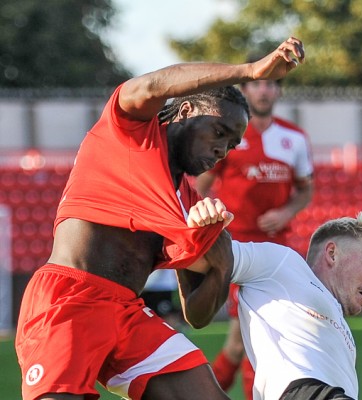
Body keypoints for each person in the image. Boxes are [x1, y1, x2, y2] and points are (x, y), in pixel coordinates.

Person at [14, 37, 306, 400]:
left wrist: (218, 247)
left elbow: (196, 314)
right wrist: (250, 71)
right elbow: (154, 84)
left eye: (231, 145)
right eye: (219, 133)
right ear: (184, 113)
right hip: (70, 299)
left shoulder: (191, 204)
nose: (222, 150)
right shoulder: (128, 130)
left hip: (129, 314)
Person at [196, 53, 314, 398]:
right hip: (235, 249)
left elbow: (306, 190)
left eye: (270, 84)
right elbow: (198, 186)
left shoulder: (294, 138)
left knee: (250, 339)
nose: (263, 91)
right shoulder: (228, 135)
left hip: (278, 250)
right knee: (246, 336)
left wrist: (286, 212)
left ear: (278, 91)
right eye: (257, 83)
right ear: (245, 90)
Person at [195, 210, 362, 400]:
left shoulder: (340, 327)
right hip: (304, 391)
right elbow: (207, 255)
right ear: (332, 254)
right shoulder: (284, 264)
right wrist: (198, 224)